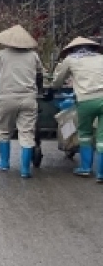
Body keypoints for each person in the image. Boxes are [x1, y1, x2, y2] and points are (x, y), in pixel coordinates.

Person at [0, 25, 43, 178]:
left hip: (7, 98)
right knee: (27, 133)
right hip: (28, 98)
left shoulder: (0, 55)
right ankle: (25, 170)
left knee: (3, 130)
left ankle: (4, 163)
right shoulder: (33, 56)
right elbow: (39, 77)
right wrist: (38, 90)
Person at [49, 36, 103, 179]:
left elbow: (58, 80)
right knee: (102, 137)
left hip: (86, 100)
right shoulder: (101, 58)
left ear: (72, 49)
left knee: (85, 134)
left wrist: (54, 87)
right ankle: (102, 174)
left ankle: (85, 168)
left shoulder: (71, 59)